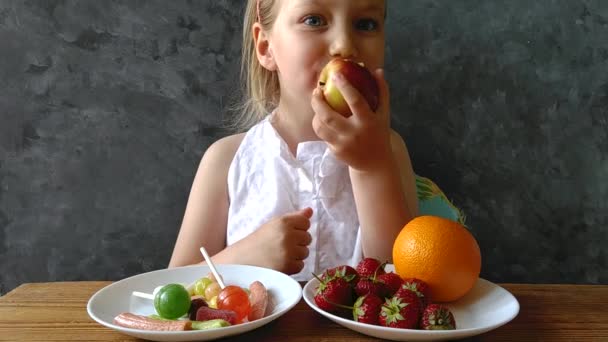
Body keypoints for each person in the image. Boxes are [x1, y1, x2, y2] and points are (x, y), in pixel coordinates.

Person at [168, 0, 419, 281]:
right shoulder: (226, 159)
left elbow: (405, 284)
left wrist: (371, 168)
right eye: (314, 20)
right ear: (265, 47)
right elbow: (172, 290)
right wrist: (241, 259)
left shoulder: (388, 150)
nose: (344, 46)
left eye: (365, 24)